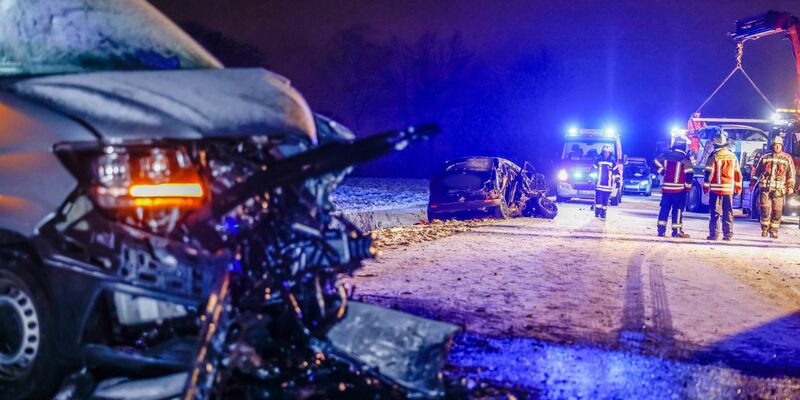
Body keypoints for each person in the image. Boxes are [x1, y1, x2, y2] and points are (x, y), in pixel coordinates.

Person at [750, 136, 796, 238]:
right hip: (765, 189)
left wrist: (790, 186)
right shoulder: (765, 157)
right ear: (772, 146)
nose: (777, 147)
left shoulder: (787, 158)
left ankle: (774, 230)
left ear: (782, 146)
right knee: (765, 210)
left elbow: (791, 174)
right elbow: (757, 172)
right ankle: (765, 230)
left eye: (779, 145)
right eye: (775, 145)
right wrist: (752, 184)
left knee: (777, 210)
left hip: (779, 191)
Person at [702, 130, 742, 241]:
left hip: (715, 190)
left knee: (715, 213)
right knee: (728, 212)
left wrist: (705, 187)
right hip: (728, 190)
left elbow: (709, 173)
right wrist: (738, 188)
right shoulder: (733, 156)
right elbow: (738, 174)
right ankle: (728, 235)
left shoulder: (713, 156)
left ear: (715, 144)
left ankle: (714, 235)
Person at [654, 135, 694, 238]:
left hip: (666, 188)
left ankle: (661, 231)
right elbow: (689, 174)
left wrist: (663, 172)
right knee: (677, 210)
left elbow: (655, 163)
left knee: (664, 209)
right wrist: (687, 188)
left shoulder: (666, 155)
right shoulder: (685, 159)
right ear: (683, 146)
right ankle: (676, 231)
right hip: (679, 190)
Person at [593, 144, 619, 220]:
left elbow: (616, 172)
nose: (606, 154)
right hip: (599, 184)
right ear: (602, 152)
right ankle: (597, 212)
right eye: (605, 152)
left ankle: (603, 213)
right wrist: (591, 180)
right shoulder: (598, 161)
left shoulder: (612, 162)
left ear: (610, 153)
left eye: (608, 152)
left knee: (605, 200)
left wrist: (617, 181)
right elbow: (592, 171)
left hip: (608, 185)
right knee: (598, 199)